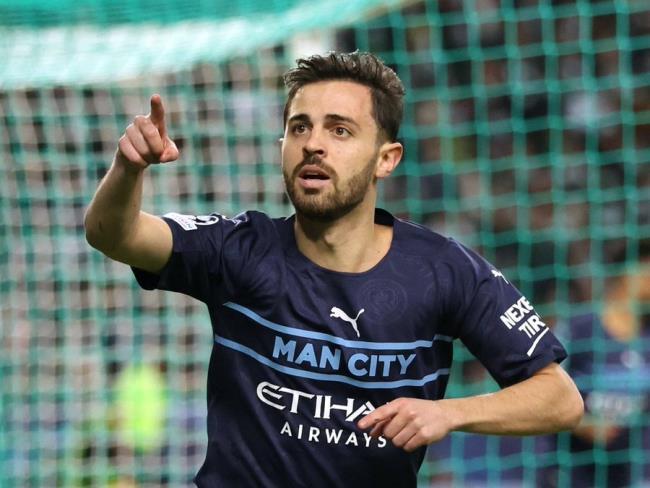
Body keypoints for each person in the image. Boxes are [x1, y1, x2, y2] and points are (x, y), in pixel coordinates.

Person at [84, 51, 583, 487]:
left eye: (339, 129)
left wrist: (448, 413)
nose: (313, 144)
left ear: (386, 159)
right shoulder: (239, 249)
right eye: (299, 127)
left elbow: (560, 398)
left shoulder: (444, 270)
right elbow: (113, 235)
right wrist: (129, 168)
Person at [538, 243, 650, 488]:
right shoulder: (580, 329)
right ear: (629, 272)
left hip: (620, 472)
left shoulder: (646, 338)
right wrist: (582, 424)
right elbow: (540, 389)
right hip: (568, 469)